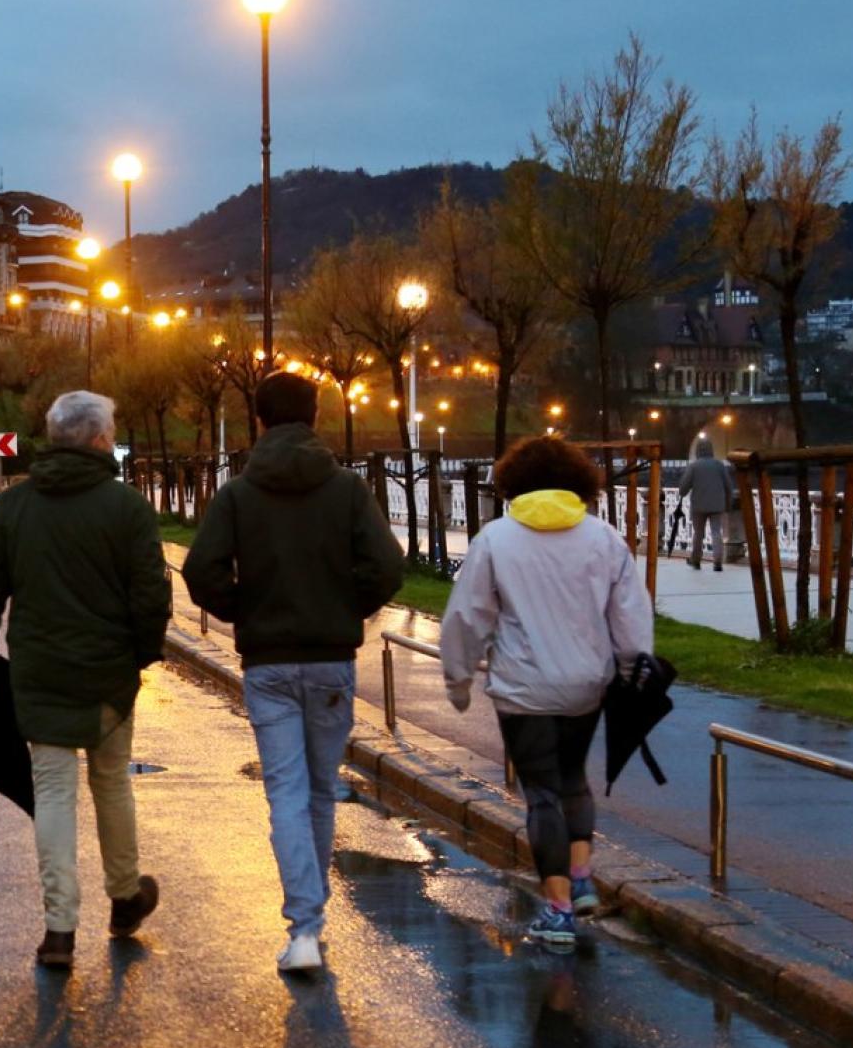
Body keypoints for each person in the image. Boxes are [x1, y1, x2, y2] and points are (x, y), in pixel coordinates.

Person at [182, 371, 405, 974]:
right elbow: (387, 566)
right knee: (320, 786)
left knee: (284, 789)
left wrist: (243, 608)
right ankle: (313, 916)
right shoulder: (348, 490)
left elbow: (201, 570)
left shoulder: (237, 493)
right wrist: (345, 608)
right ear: (314, 418)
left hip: (270, 664)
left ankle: (303, 927)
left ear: (258, 420)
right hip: (331, 660)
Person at [0, 390, 173, 971]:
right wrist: (143, 654)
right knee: (111, 782)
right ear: (101, 439)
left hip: (40, 670)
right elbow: (151, 595)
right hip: (107, 674)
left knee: (52, 791)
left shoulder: (14, 507)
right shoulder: (127, 508)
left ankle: (59, 930)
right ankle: (125, 897)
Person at [441, 436, 654, 950]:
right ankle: (580, 878)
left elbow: (468, 616)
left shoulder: (496, 540)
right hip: (587, 684)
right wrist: (631, 667)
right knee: (573, 778)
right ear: (578, 482)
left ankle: (558, 911)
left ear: (512, 484)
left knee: (541, 794)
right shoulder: (604, 539)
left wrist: (459, 677)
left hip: (524, 687)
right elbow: (629, 614)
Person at [676, 436, 737, 571]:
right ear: (711, 450)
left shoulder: (694, 467)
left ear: (698, 450)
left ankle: (696, 560)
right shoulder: (719, 465)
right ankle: (717, 562)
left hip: (698, 505)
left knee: (698, 533)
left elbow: (683, 487)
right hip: (717, 504)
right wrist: (728, 503)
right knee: (716, 532)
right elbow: (728, 486)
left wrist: (683, 492)